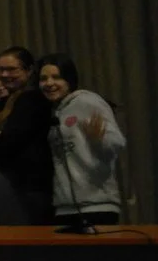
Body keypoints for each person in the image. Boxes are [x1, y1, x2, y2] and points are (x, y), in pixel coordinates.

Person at [38, 54, 126, 229]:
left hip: (97, 205)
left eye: (56, 77)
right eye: (43, 79)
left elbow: (117, 143)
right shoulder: (54, 112)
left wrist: (99, 140)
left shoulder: (87, 101)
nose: (49, 83)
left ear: (69, 80)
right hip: (64, 208)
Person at [0, 46, 55, 224]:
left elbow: (11, 141)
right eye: (1, 69)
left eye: (12, 69)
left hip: (31, 187)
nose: (5, 75)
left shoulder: (35, 99)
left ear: (29, 70)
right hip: (7, 186)